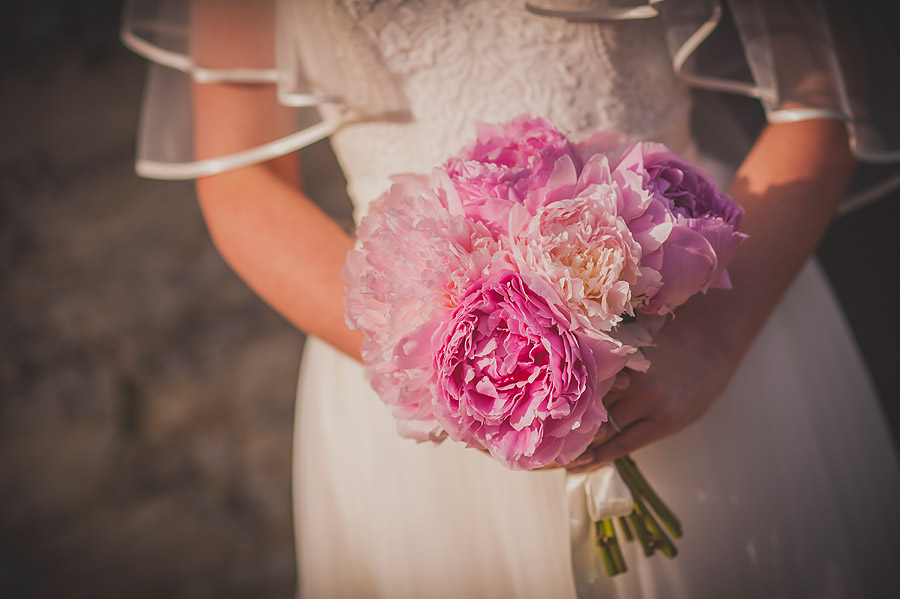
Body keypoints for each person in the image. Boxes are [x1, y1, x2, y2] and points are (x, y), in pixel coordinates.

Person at [123, 0, 900, 596]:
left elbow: (823, 97)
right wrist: (450, 371)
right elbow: (237, 176)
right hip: (418, 395)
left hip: (708, 326)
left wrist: (714, 341)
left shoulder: (712, 339)